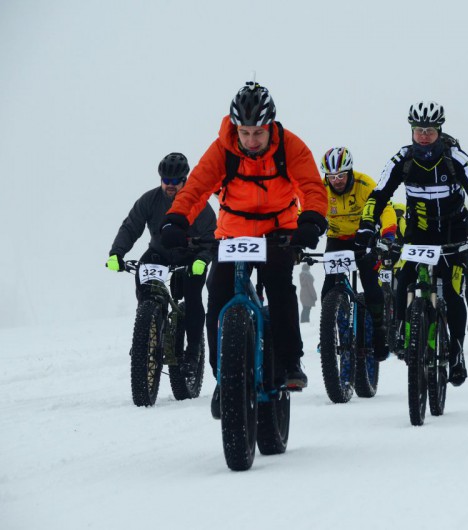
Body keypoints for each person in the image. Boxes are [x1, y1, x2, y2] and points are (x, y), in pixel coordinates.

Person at [159, 80, 328, 419]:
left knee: (280, 287)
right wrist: (176, 219)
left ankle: (289, 362)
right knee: (218, 294)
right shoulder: (222, 149)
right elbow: (195, 189)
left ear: (270, 128)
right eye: (245, 133)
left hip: (278, 230)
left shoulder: (290, 147)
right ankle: (224, 377)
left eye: (258, 133)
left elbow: (310, 186)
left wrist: (311, 220)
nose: (251, 140)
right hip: (232, 232)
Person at [355, 100, 468, 387]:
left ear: (440, 130)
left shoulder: (456, 158)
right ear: (411, 130)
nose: (424, 136)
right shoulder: (402, 160)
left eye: (430, 131)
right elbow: (378, 195)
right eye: (418, 130)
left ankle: (456, 352)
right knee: (403, 277)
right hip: (418, 233)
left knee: (454, 295)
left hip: (453, 234)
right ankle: (404, 330)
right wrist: (367, 226)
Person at [107, 153, 216, 374]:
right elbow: (131, 227)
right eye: (166, 180)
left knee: (193, 296)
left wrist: (202, 260)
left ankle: (193, 352)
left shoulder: (200, 204)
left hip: (191, 258)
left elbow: (212, 238)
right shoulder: (149, 200)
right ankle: (146, 331)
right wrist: (117, 253)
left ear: (185, 180)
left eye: (176, 181)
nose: (171, 185)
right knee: (144, 280)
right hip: (159, 254)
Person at [319, 146, 396, 361]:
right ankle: (328, 333)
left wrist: (388, 235)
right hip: (336, 239)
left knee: (370, 283)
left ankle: (379, 331)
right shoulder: (321, 188)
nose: (337, 181)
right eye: (332, 176)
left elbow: (386, 208)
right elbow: (304, 209)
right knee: (329, 284)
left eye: (341, 175)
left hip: (363, 238)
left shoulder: (365, 184)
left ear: (350, 172)